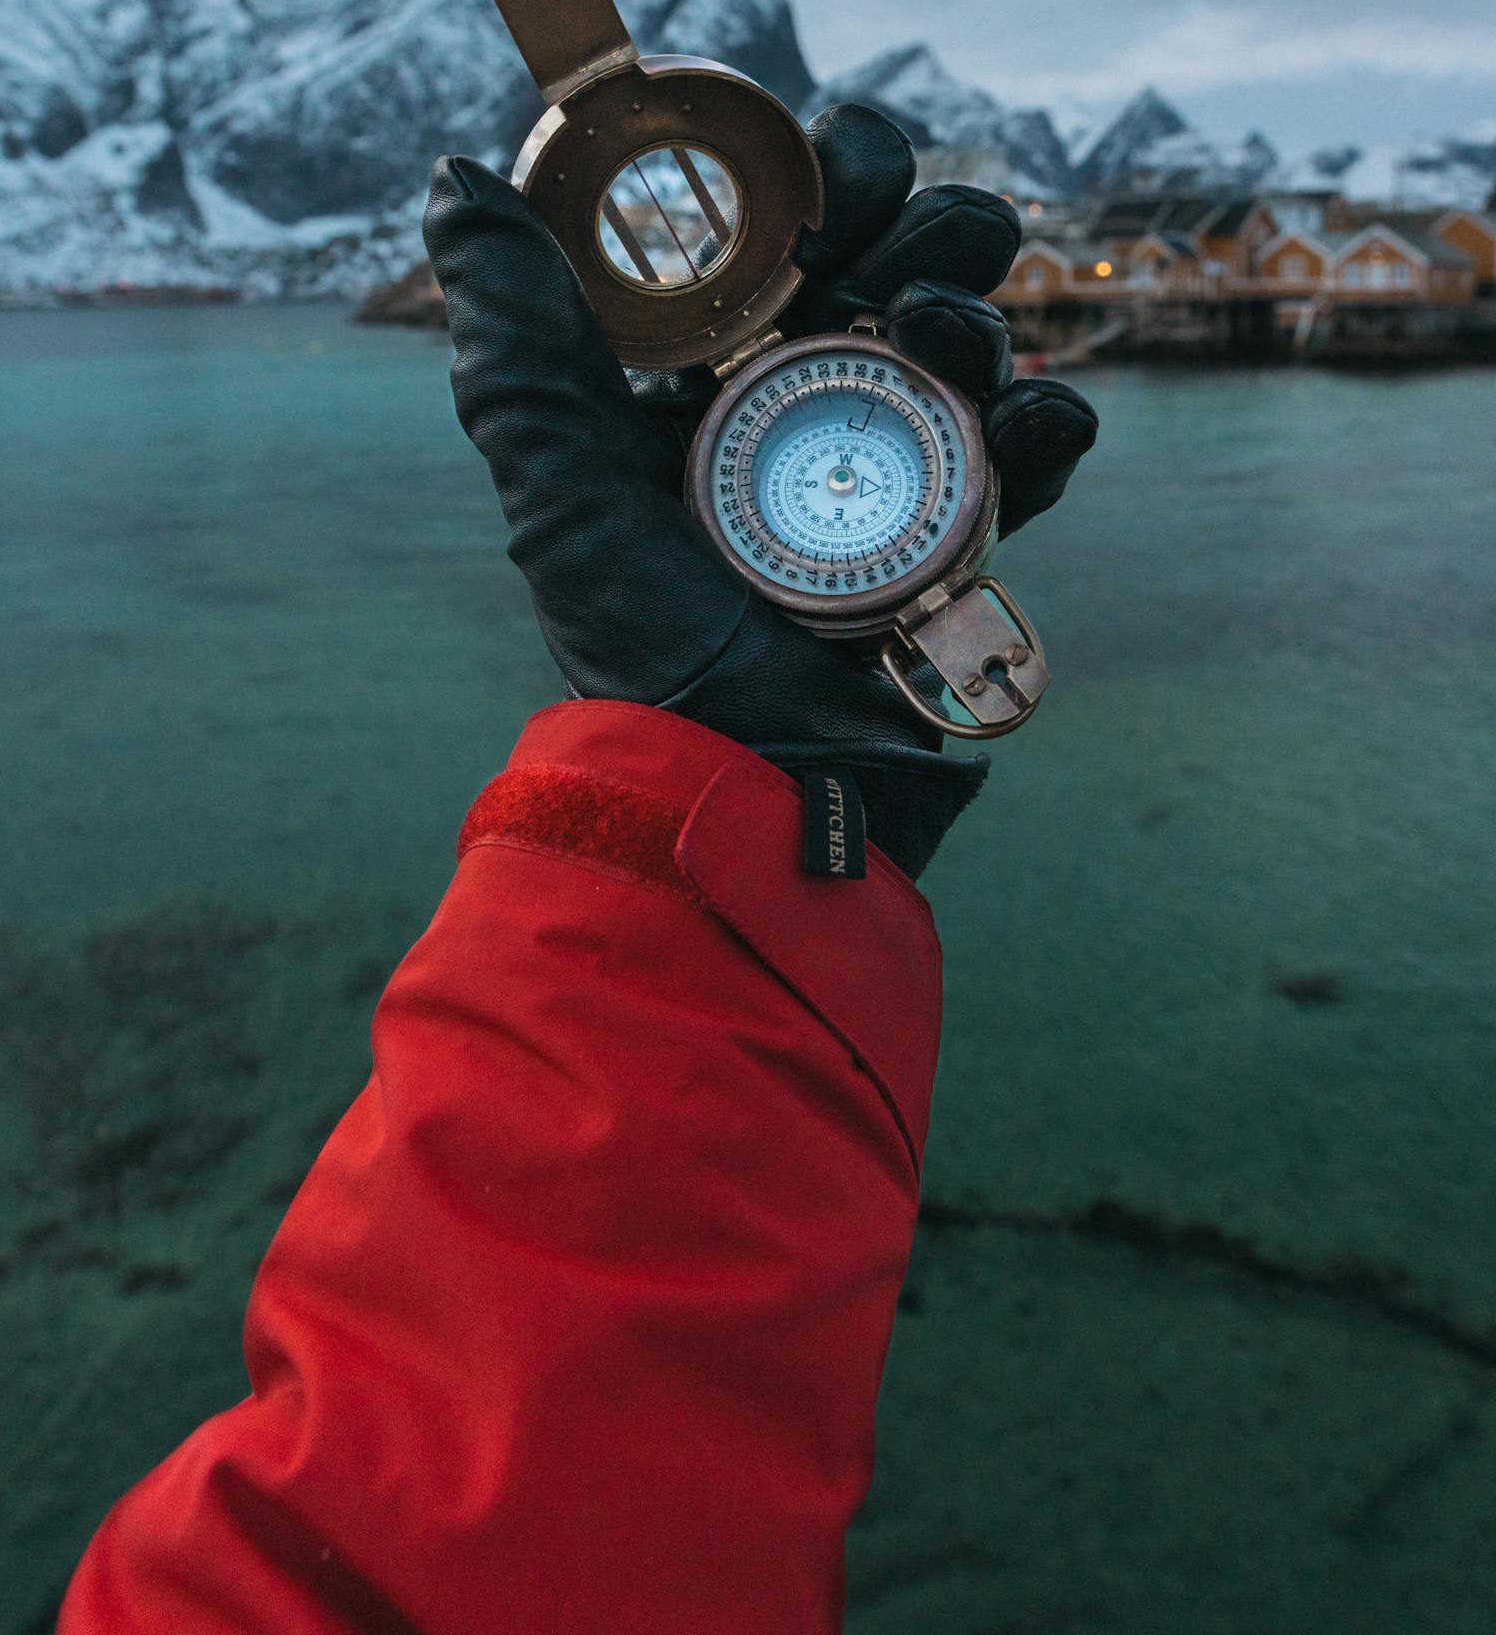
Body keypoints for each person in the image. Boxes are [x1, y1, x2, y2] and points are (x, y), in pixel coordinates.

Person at [59, 104, 1097, 1634]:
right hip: (782, 716)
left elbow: (477, 1524)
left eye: (859, 479)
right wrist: (763, 798)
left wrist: (737, 790)